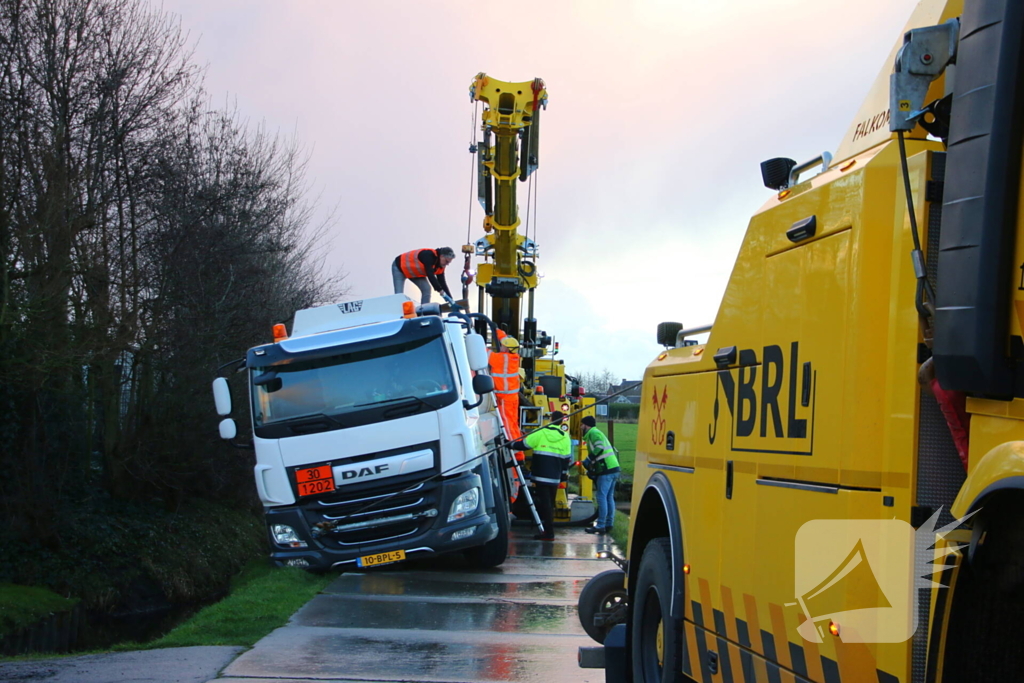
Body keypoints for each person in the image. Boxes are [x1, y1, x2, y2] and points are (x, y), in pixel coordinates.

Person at [510, 411, 571, 541]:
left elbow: (524, 445)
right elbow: (566, 459)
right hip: (554, 478)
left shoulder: (541, 432)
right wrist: (562, 476)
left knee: (545, 504)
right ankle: (548, 531)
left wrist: (509, 444)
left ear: (551, 419)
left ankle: (548, 533)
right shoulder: (565, 437)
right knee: (550, 505)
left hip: (540, 476)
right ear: (562, 422)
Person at [580, 415, 620, 534]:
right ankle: (609, 524)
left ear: (586, 425)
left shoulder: (593, 433)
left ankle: (600, 525)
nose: (580, 427)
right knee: (609, 497)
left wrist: (588, 459)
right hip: (613, 468)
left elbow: (599, 447)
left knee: (601, 497)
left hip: (606, 469)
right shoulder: (596, 432)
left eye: (582, 425)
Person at [490, 331, 522, 441]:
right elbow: (505, 339)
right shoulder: (514, 357)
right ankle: (519, 447)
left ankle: (513, 446)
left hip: (504, 398)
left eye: (503, 346)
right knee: (513, 423)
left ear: (507, 349)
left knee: (507, 424)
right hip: (513, 397)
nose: (501, 347)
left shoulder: (501, 358)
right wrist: (496, 330)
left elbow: (483, 352)